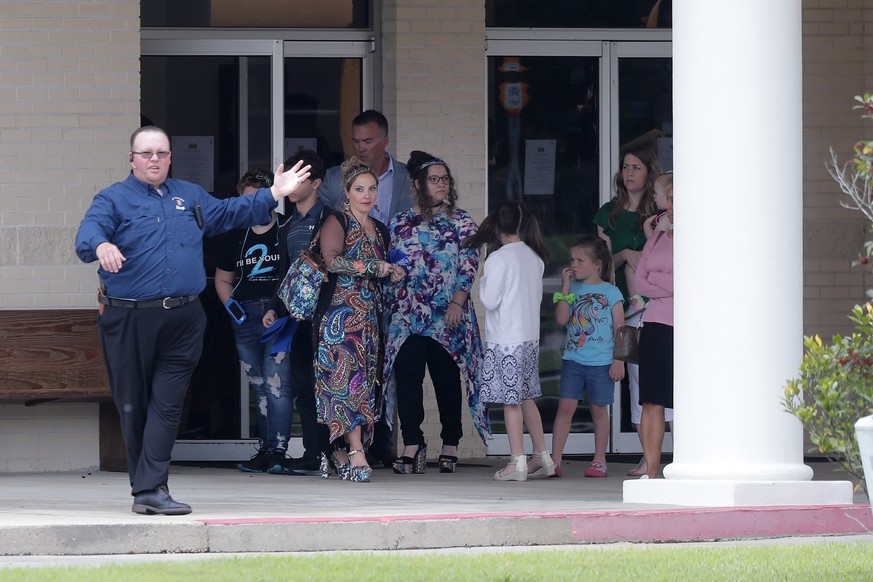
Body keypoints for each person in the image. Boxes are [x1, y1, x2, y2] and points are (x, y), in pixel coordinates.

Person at [74, 125, 311, 515]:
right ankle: (146, 484)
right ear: (131, 158)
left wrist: (274, 193)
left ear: (170, 157)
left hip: (184, 317)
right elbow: (87, 234)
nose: (154, 159)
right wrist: (101, 245)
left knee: (168, 405)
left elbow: (231, 211)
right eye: (146, 153)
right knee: (133, 405)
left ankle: (151, 489)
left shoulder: (190, 196)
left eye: (161, 153)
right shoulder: (112, 199)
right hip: (129, 318)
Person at [383, 151, 489, 475]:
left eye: (445, 179)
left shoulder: (462, 221)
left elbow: (469, 264)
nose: (442, 184)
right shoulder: (399, 222)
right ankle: (412, 443)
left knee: (446, 378)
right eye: (435, 179)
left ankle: (451, 444)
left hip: (448, 314)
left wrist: (457, 302)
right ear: (418, 184)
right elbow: (391, 261)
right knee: (409, 377)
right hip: (408, 313)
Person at [318, 110, 413, 468]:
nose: (368, 194)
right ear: (346, 192)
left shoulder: (379, 228)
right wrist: (374, 267)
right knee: (346, 383)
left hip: (369, 315)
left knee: (366, 384)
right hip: (339, 315)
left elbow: (381, 267)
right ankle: (354, 452)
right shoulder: (337, 219)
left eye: (372, 188)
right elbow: (331, 260)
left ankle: (343, 450)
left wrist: (392, 273)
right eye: (360, 189)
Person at [463, 200, 555, 482]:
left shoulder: (498, 259)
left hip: (506, 340)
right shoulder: (533, 256)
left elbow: (490, 301)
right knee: (526, 396)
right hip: (528, 337)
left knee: (510, 400)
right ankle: (542, 456)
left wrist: (481, 278)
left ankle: (517, 461)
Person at [214, 169, 292, 475]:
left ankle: (279, 451)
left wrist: (283, 308)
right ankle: (265, 449)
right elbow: (222, 280)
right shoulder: (233, 233)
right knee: (259, 387)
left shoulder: (286, 227)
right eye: (245, 200)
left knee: (278, 386)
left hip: (278, 316)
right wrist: (233, 309)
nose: (251, 206)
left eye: (258, 198)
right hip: (244, 315)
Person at [263, 149, 333, 477]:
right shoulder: (285, 227)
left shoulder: (332, 220)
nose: (291, 183)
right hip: (297, 317)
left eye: (300, 177)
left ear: (317, 183)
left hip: (330, 317)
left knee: (332, 387)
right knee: (304, 388)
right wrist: (275, 309)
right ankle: (312, 453)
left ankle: (338, 453)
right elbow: (285, 275)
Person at [593, 145, 659, 477]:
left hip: (658, 306)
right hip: (622, 309)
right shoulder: (609, 213)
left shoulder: (661, 212)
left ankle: (667, 451)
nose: (629, 172)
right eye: (625, 167)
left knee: (659, 375)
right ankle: (647, 453)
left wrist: (638, 257)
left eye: (636, 167)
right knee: (634, 376)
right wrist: (626, 256)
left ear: (649, 172)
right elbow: (601, 265)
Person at [551, 236, 625, 478]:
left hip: (601, 362)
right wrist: (564, 288)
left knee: (598, 409)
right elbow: (561, 320)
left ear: (597, 264)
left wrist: (619, 360)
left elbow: (620, 330)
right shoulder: (573, 289)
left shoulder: (611, 292)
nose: (574, 264)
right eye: (572, 259)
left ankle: (599, 459)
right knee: (566, 407)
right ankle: (555, 459)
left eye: (580, 260)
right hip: (573, 359)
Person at [635, 181, 674, 479]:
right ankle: (651, 470)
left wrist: (656, 282)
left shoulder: (699, 237)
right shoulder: (659, 235)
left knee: (681, 401)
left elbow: (685, 283)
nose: (670, 205)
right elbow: (639, 280)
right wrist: (663, 284)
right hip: (654, 324)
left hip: (681, 327)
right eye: (669, 199)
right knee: (651, 401)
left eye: (676, 199)